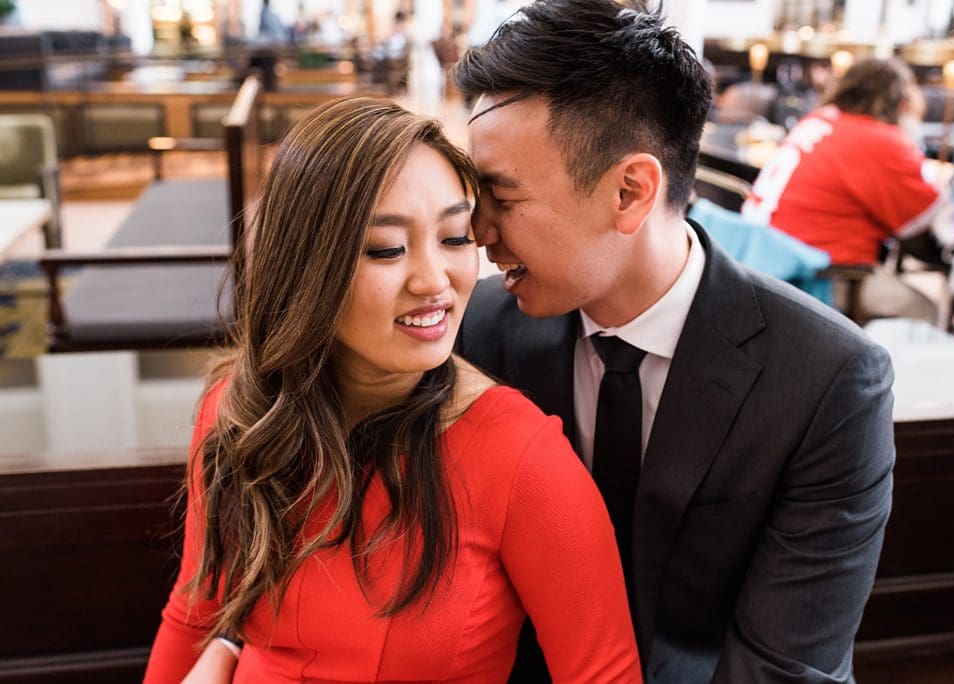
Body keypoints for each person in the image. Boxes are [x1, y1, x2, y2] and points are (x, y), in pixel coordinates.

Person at [453, 0, 895, 681]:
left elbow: (785, 665)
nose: (480, 234)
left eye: (503, 200)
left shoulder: (825, 378)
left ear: (630, 190)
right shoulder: (475, 330)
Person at [143, 97, 641, 683]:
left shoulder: (520, 458)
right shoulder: (237, 410)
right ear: (306, 267)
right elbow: (193, 612)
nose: (436, 281)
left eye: (456, 238)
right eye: (386, 249)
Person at [741, 57, 946, 322]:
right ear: (903, 102)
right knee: (924, 309)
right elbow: (924, 222)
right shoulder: (880, 139)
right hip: (815, 277)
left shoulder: (817, 119)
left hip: (761, 259)